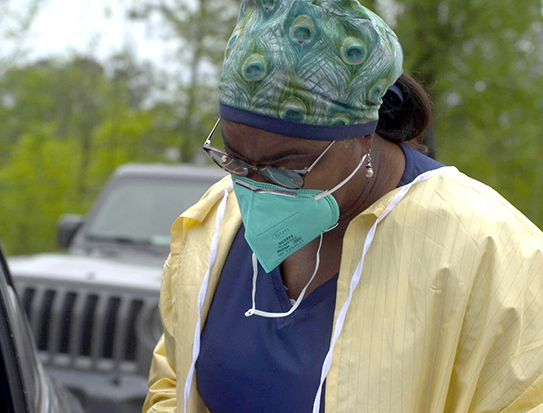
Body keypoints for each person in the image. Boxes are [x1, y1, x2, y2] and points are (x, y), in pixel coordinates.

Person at [143, 1, 543, 412]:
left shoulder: (491, 253)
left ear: (363, 136)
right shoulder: (213, 228)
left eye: (289, 168)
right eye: (235, 157)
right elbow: (173, 385)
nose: (256, 187)